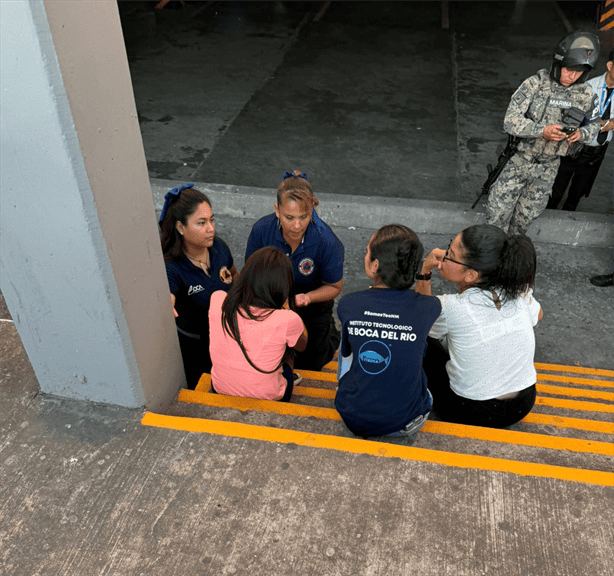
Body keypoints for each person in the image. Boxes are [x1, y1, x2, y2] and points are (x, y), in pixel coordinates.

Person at [416, 224, 543, 429]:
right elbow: (538, 314)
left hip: (471, 411)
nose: (444, 255)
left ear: (471, 275)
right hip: (523, 402)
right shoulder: (517, 290)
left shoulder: (451, 307)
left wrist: (424, 270)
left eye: (451, 254)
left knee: (423, 341)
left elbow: (419, 319)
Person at [486, 31, 600, 235]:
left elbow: (595, 125)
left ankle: (513, 261)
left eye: (578, 72)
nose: (572, 76)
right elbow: (510, 121)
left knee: (523, 222)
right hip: (519, 161)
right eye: (569, 70)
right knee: (497, 217)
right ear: (558, 64)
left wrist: (581, 134)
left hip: (549, 168)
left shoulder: (586, 94)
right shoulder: (535, 84)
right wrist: (541, 131)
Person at [335, 225, 441, 439]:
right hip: (403, 424)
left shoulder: (349, 304)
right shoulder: (430, 307)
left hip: (352, 417)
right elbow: (419, 305)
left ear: (375, 265)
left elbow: (348, 354)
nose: (365, 256)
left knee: (348, 345)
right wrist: (424, 272)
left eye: (367, 251)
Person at [245, 171, 344, 371]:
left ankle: (330, 335)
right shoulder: (261, 231)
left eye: (304, 216)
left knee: (312, 361)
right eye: (289, 217)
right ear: (277, 210)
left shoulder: (328, 242)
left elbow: (334, 286)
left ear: (312, 210)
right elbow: (251, 275)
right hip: (270, 301)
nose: (297, 225)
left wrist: (307, 298)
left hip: (312, 306)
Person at [159, 183, 238, 390]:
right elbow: (168, 299)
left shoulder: (219, 247)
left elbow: (234, 276)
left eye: (211, 220)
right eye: (201, 223)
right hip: (196, 352)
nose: (210, 228)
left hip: (229, 341)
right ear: (180, 227)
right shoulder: (172, 268)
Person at [208, 247, 308, 401]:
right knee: (288, 344)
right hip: (268, 395)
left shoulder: (217, 300)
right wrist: (287, 308)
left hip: (220, 388)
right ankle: (286, 378)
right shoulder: (287, 319)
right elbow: (302, 346)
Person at [547, 49, 614, 211]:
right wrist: (605, 123)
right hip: (574, 148)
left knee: (577, 194)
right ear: (610, 66)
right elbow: (574, 121)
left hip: (596, 153)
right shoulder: (588, 87)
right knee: (556, 191)